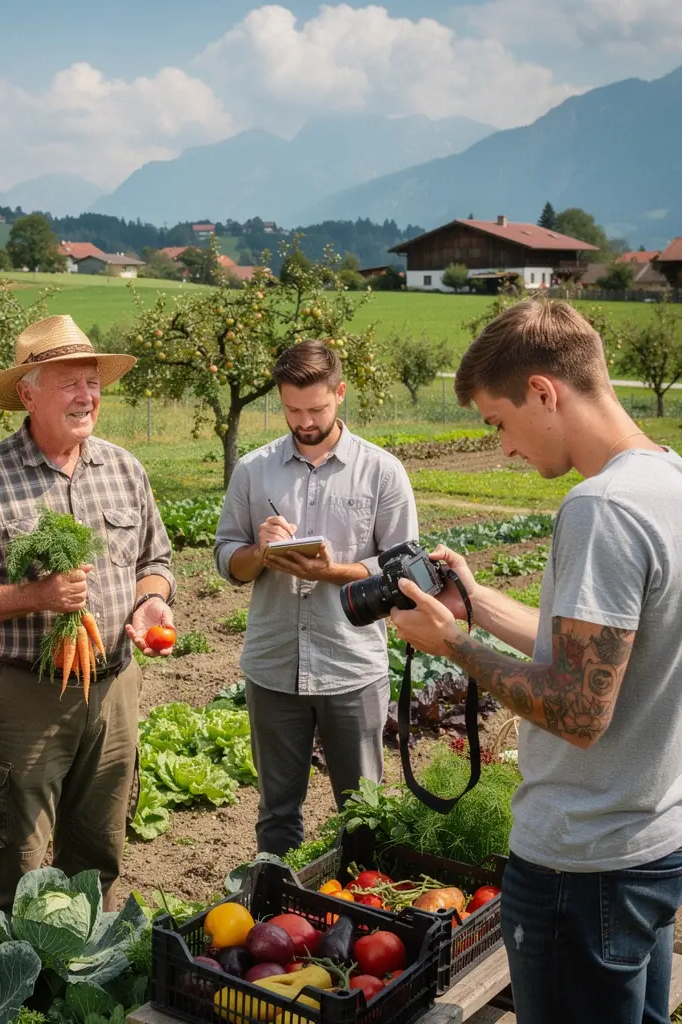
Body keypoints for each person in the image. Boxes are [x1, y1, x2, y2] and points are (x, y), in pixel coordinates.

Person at [388, 300, 682, 1024]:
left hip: (580, 865)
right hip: (649, 843)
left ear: (545, 392)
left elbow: (580, 710)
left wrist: (451, 645)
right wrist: (478, 604)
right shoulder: (667, 480)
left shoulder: (601, 509)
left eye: (499, 422)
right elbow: (601, 654)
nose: (504, 448)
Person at [0, 314, 175, 936]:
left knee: (99, 849)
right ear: (28, 393)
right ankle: (3, 980)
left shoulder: (125, 468)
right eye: (70, 383)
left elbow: (156, 560)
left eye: (93, 382)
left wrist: (153, 602)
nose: (87, 396)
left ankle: (82, 969)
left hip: (114, 686)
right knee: (14, 853)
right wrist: (34, 594)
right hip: (26, 693)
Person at [213, 339, 417, 856]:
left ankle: (365, 914)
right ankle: (278, 915)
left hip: (351, 666)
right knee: (277, 815)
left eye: (316, 409)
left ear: (340, 393)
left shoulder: (381, 471)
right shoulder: (253, 470)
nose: (304, 421)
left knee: (363, 813)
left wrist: (331, 571)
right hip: (273, 664)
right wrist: (260, 552)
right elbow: (226, 558)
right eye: (292, 409)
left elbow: (403, 571)